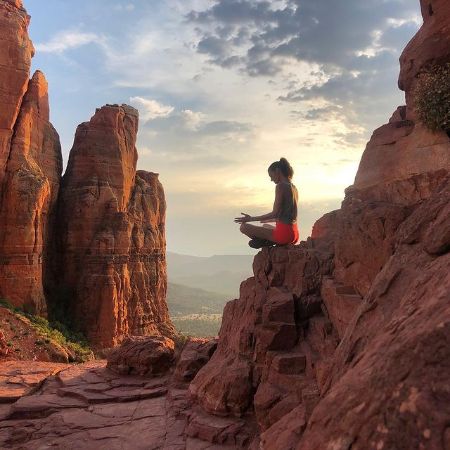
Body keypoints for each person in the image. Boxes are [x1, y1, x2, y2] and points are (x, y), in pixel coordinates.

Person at [234, 157, 299, 248]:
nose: (271, 180)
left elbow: (274, 213)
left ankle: (266, 241)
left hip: (284, 235)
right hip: (294, 234)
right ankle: (265, 241)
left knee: (243, 227)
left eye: (271, 176)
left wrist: (250, 219)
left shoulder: (280, 186)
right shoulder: (294, 187)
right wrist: (274, 220)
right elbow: (289, 214)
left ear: (277, 171)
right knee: (265, 225)